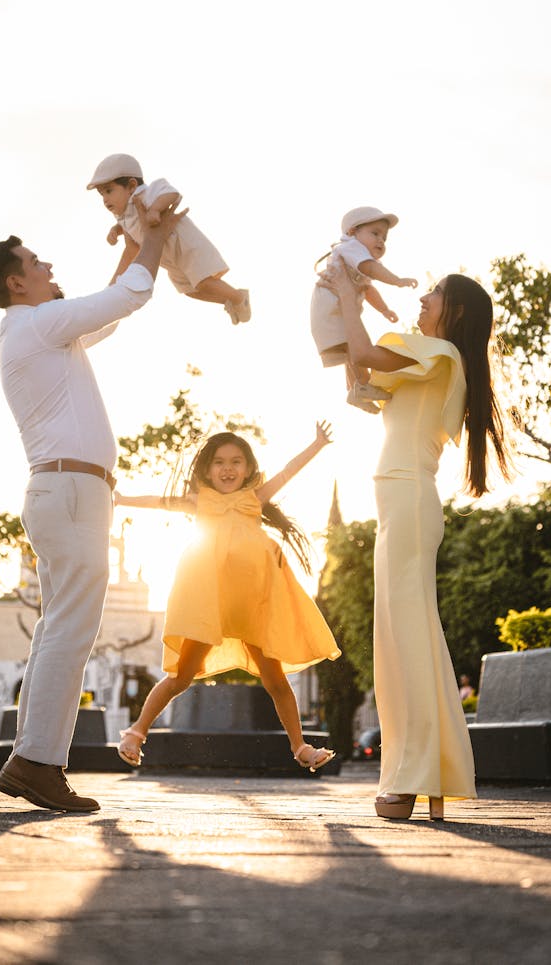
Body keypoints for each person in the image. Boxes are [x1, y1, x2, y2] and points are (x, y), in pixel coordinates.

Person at [0, 199, 183, 812]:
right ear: (17, 283)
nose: (48, 265)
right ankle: (39, 762)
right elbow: (131, 296)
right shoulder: (35, 324)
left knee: (57, 630)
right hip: (68, 492)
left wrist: (133, 240)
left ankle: (30, 759)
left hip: (65, 492)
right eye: (37, 263)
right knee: (69, 630)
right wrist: (158, 237)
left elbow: (105, 314)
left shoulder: (36, 328)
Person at [322, 263, 511, 821]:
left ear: (453, 313)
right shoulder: (427, 362)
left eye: (433, 295)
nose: (422, 300)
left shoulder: (443, 355)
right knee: (400, 641)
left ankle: (417, 774)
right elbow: (360, 379)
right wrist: (342, 305)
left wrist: (349, 299)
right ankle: (421, 773)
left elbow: (369, 352)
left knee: (408, 639)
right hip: (398, 505)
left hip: (408, 503)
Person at [113, 423, 341, 771]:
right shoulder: (199, 502)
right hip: (211, 607)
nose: (228, 469)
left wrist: (317, 444)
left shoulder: (255, 498)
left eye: (236, 461)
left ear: (249, 468)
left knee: (276, 680)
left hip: (255, 606)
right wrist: (119, 499)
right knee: (181, 676)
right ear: (206, 469)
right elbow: (157, 502)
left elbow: (288, 471)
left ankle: (301, 748)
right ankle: (135, 732)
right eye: (219, 462)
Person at [87, 152, 251, 325]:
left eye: (109, 191)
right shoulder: (122, 215)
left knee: (203, 283)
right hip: (170, 260)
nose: (105, 199)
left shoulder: (147, 194)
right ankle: (228, 301)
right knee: (189, 290)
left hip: (186, 247)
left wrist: (156, 209)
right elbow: (130, 232)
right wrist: (116, 230)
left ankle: (239, 296)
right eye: (101, 194)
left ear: (132, 186)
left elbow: (171, 193)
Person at [311, 206, 417, 412]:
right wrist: (396, 280)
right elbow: (371, 270)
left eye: (384, 238)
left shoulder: (353, 255)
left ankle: (356, 391)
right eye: (375, 233)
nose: (380, 241)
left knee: (348, 349)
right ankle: (363, 384)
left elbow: (367, 288)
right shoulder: (351, 247)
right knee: (353, 345)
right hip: (332, 306)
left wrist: (385, 310)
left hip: (329, 307)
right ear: (352, 232)